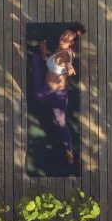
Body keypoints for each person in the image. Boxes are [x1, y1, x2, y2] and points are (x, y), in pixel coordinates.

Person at [31, 25, 83, 166]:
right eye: (64, 34)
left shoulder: (65, 54)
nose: (64, 37)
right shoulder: (59, 48)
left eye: (68, 37)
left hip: (57, 95)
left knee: (61, 123)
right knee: (38, 59)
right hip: (50, 92)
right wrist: (45, 54)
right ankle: (41, 55)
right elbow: (56, 63)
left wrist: (69, 66)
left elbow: (66, 61)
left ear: (71, 42)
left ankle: (69, 150)